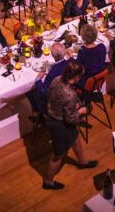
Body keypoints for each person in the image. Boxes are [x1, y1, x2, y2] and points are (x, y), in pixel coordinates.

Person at [42, 62, 97, 190]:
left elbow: (57, 98)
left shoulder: (56, 79)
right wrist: (81, 111)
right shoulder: (69, 95)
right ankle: (48, 182)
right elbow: (71, 119)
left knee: (75, 138)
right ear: (76, 77)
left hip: (52, 115)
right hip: (59, 124)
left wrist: (73, 105)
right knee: (58, 155)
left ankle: (82, 162)